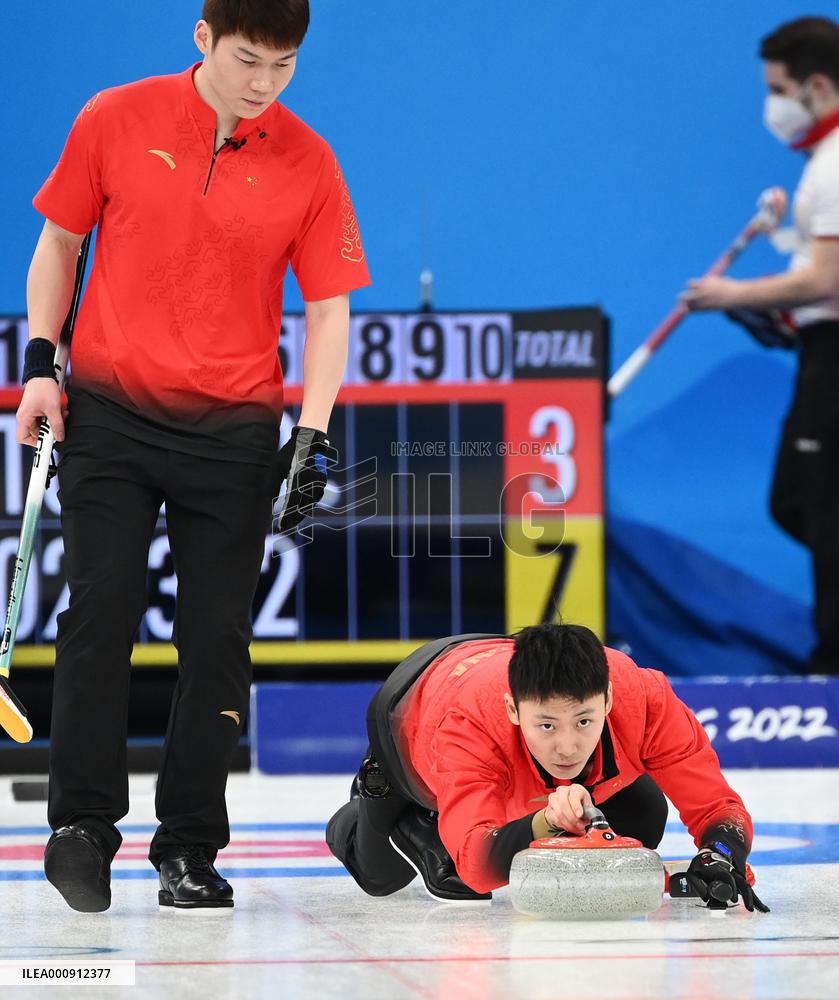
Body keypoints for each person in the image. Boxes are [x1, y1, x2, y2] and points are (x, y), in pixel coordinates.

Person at [17, 0, 370, 912]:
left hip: (235, 430)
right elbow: (60, 240)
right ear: (203, 38)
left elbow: (329, 308)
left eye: (283, 67)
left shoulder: (311, 160)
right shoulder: (113, 117)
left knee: (217, 640)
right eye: (248, 59)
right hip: (111, 412)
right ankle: (83, 827)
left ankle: (188, 849)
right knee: (101, 612)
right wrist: (41, 366)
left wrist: (314, 432)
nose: (263, 85)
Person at [326, 624, 768, 912]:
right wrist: (543, 821)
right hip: (411, 719)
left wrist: (720, 856)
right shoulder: (470, 724)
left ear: (608, 701)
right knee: (388, 877)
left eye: (584, 721)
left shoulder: (646, 699)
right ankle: (380, 797)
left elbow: (718, 807)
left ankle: (452, 821)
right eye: (546, 725)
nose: (567, 747)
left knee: (642, 820)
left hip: (497, 659)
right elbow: (478, 866)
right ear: (513, 710)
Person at [682, 16, 839, 675]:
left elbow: (826, 279)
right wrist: (780, 242)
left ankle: (831, 664)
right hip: (816, 347)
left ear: (817, 85)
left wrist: (730, 296)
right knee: (799, 499)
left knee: (822, 505)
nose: (769, 106)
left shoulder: (834, 163)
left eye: (776, 89)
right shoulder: (817, 167)